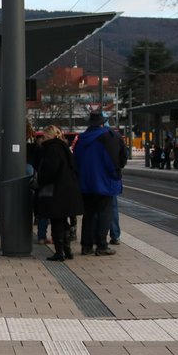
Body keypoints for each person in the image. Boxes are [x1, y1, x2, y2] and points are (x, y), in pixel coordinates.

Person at [73, 111, 124, 256]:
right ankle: (101, 245)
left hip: (85, 183)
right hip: (106, 183)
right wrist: (115, 174)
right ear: (103, 123)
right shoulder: (111, 136)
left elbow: (75, 161)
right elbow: (121, 159)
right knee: (105, 213)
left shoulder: (81, 139)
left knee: (88, 214)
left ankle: (86, 246)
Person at [34, 124, 83, 261]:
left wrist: (41, 180)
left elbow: (50, 170)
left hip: (56, 191)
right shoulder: (63, 147)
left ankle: (59, 252)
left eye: (44, 136)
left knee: (56, 222)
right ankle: (67, 251)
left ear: (48, 136)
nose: (42, 138)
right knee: (63, 221)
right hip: (68, 190)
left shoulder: (51, 148)